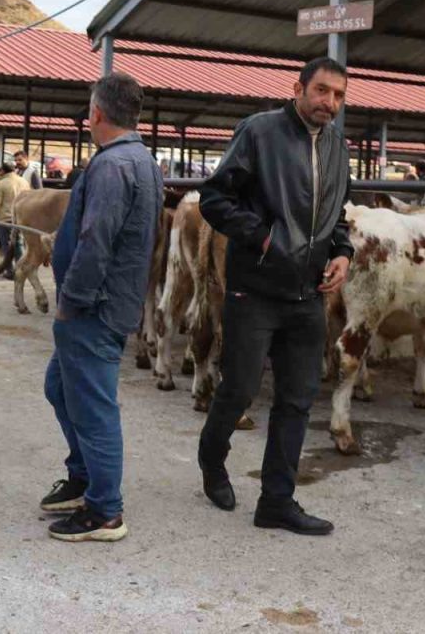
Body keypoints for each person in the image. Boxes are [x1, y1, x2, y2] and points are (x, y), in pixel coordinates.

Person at [195, 56, 354, 536]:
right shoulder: (259, 132)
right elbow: (214, 198)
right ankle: (211, 460)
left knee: (298, 398)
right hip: (256, 289)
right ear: (299, 88)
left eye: (339, 96)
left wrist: (342, 252)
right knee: (240, 387)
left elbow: (336, 214)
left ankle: (276, 501)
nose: (330, 103)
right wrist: (263, 238)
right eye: (322, 91)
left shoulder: (338, 147)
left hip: (308, 294)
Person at [39, 72, 163, 542]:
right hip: (109, 302)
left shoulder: (111, 167)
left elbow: (97, 241)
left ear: (95, 114)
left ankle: (105, 509)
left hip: (93, 308)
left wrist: (71, 301)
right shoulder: (140, 160)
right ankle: (84, 474)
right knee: (60, 387)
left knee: (93, 406)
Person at [0, 161, 29, 280]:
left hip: (6, 219)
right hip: (22, 218)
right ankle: (22, 270)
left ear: (3, 171)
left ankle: (10, 271)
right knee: (19, 243)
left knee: (6, 245)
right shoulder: (24, 181)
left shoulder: (2, 183)